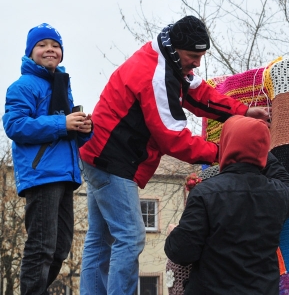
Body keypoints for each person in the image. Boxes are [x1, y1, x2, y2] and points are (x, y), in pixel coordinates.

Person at [79, 15, 270, 294]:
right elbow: (172, 137)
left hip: (98, 154)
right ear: (177, 48)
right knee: (131, 237)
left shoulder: (168, 58)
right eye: (193, 56)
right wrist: (223, 152)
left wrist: (242, 111)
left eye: (201, 56)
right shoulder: (156, 75)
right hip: (111, 161)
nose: (197, 63)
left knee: (100, 238)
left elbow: (198, 94)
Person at [2, 23, 93, 295]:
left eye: (55, 46)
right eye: (42, 45)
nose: (49, 50)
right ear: (31, 52)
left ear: (61, 53)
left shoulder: (62, 86)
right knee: (41, 246)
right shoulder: (23, 85)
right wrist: (63, 123)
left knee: (61, 247)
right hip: (41, 173)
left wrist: (83, 130)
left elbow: (66, 131)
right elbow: (15, 125)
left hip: (65, 174)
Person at [164, 115, 289, 295]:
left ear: (226, 145)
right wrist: (256, 145)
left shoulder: (205, 193)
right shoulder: (279, 194)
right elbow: (287, 182)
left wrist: (175, 234)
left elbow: (181, 253)